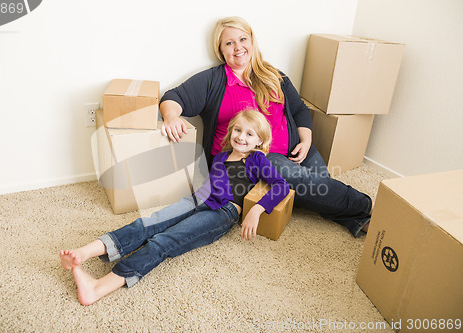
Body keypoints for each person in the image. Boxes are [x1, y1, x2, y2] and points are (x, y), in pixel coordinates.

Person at [160, 16, 373, 238]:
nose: (238, 47)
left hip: (293, 149)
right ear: (220, 50)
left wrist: (306, 141)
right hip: (253, 159)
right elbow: (173, 97)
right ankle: (371, 206)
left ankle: (358, 219)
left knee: (320, 186)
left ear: (252, 41)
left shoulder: (273, 75)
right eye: (229, 43)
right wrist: (171, 116)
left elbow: (299, 109)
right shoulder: (213, 80)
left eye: (243, 39)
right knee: (309, 184)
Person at [60, 110, 289, 306]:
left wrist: (256, 210)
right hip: (197, 199)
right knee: (147, 223)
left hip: (222, 213)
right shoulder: (220, 157)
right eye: (238, 130)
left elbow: (281, 186)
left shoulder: (258, 160)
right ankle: (85, 252)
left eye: (250, 134)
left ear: (259, 141)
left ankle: (98, 287)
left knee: (164, 240)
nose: (241, 137)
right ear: (231, 132)